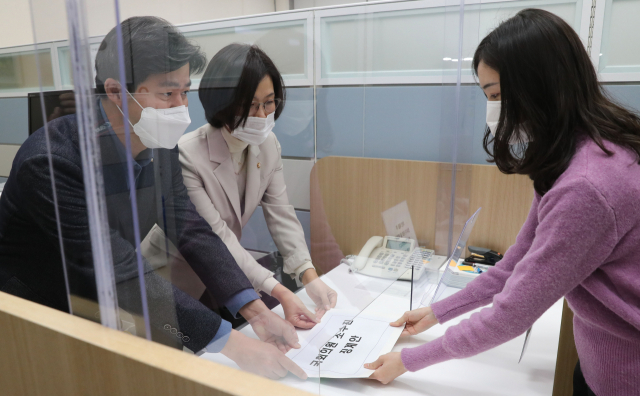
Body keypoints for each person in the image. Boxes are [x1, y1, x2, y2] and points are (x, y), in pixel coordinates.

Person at [0, 16, 306, 380]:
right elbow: (120, 269)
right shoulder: (52, 162)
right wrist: (233, 345)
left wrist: (255, 310)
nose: (181, 107)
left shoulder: (156, 140)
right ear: (115, 92)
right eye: (167, 93)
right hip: (34, 314)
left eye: (184, 91)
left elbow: (189, 226)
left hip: (102, 302)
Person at [366, 9, 640, 396]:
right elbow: (516, 262)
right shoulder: (582, 152)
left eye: (496, 95)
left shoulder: (586, 186)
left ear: (540, 85)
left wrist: (408, 361)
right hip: (604, 362)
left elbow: (512, 314)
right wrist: (438, 312)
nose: (493, 111)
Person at [177, 43, 337, 329]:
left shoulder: (268, 144)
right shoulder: (188, 154)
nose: (262, 116)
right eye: (250, 105)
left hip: (231, 272)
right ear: (222, 102)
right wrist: (279, 290)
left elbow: (281, 213)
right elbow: (219, 237)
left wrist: (308, 274)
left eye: (269, 102)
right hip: (184, 276)